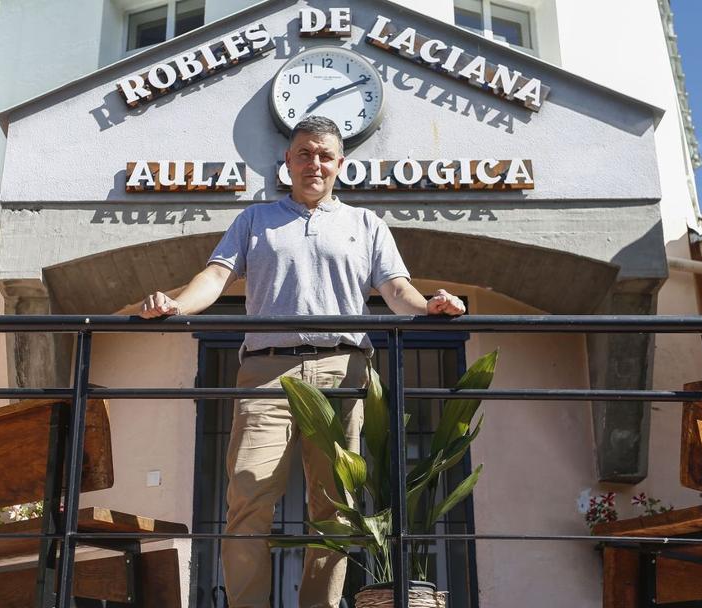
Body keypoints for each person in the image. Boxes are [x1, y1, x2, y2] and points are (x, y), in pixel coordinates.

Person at [140, 116, 466, 608]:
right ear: (287, 163)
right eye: (304, 154)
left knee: (335, 505)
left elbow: (396, 290)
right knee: (247, 495)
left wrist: (429, 306)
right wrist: (176, 305)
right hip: (266, 373)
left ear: (340, 165)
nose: (314, 163)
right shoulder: (254, 221)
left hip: (342, 371)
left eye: (325, 155)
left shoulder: (365, 224)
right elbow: (214, 276)